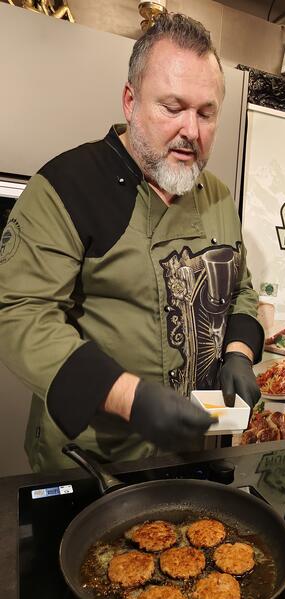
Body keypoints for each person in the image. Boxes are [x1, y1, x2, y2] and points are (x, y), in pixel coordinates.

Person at [0, 12, 263, 472]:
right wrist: (129, 397)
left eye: (205, 113)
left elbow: (240, 289)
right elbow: (21, 312)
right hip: (94, 462)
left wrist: (238, 354)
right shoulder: (67, 186)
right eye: (172, 108)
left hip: (193, 452)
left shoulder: (218, 196)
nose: (191, 131)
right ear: (130, 101)